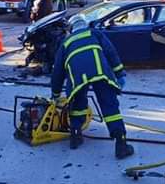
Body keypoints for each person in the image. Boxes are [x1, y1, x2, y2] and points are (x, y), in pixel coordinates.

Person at [50, 14, 134, 159]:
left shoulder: (66, 42)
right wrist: (119, 73)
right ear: (85, 24)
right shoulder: (95, 33)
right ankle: (121, 144)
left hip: (77, 79)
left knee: (78, 105)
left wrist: (55, 94)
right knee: (109, 106)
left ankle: (75, 137)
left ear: (71, 29)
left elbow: (57, 71)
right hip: (100, 73)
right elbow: (111, 52)